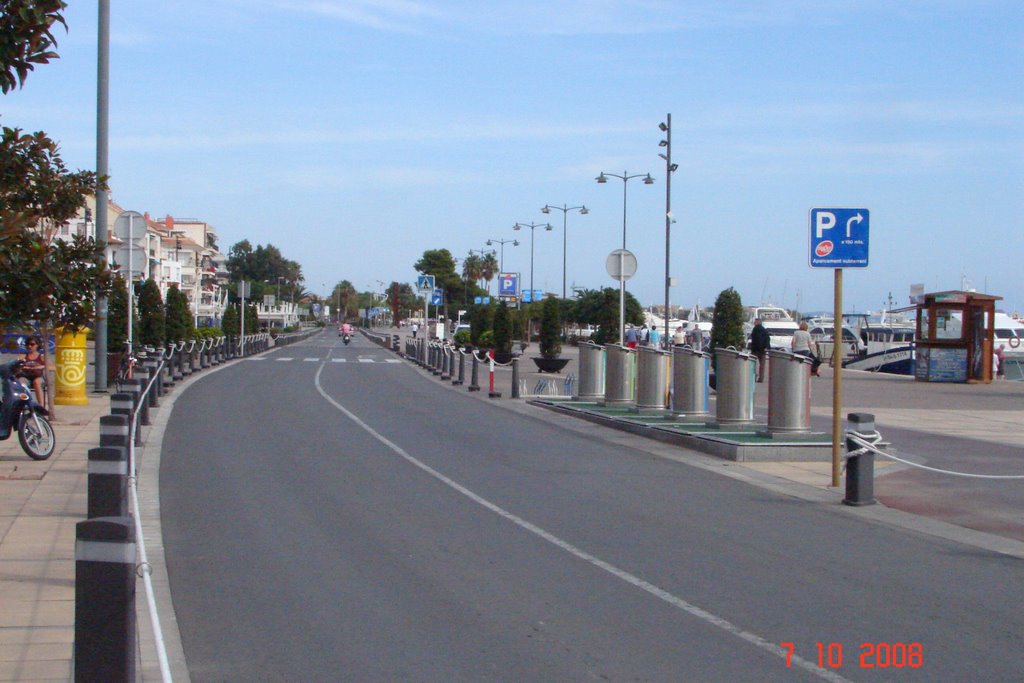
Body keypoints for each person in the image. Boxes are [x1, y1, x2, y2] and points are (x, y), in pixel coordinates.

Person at [17, 336, 46, 406]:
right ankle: (24, 404)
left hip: (37, 376)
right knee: (21, 382)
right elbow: (16, 366)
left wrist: (40, 367)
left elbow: (52, 367)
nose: (30, 346)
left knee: (37, 382)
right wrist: (23, 367)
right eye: (28, 345)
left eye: (32, 344)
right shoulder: (23, 356)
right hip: (25, 376)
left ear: (37, 345)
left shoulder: (41, 357)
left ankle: (41, 406)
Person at [749, 318, 770, 383]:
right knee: (762, 365)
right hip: (763, 350)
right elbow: (768, 339)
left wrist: (751, 346)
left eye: (755, 322)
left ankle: (753, 377)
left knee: (752, 364)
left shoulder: (755, 329)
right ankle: (761, 378)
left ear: (757, 322)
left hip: (755, 349)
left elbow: (753, 339)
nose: (754, 323)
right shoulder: (764, 330)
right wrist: (766, 347)